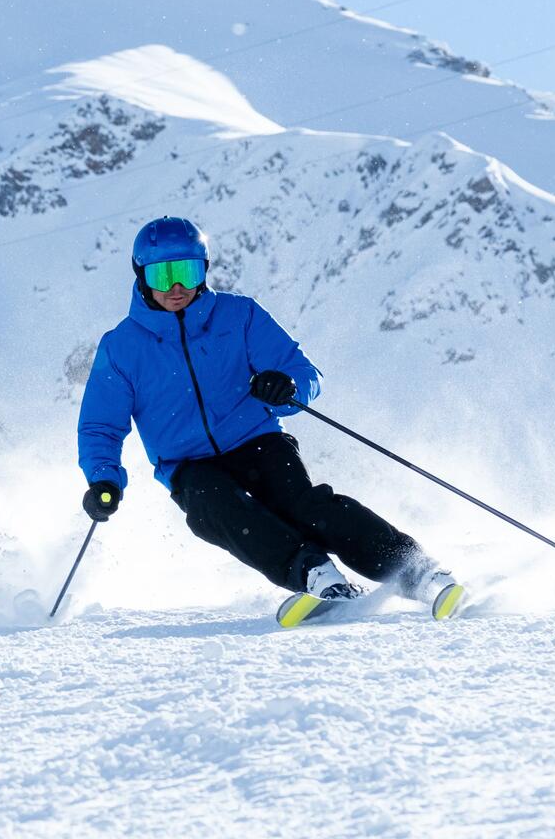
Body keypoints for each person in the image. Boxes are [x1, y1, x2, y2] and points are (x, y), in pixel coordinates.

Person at [75, 215, 462, 617]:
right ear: (142, 276)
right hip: (188, 464)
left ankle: (420, 573)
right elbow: (101, 425)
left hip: (256, 440)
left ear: (203, 271)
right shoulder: (121, 347)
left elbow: (304, 373)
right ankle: (318, 577)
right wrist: (103, 478)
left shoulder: (238, 315)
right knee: (218, 507)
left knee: (305, 507)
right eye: (164, 274)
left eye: (187, 272)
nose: (177, 287)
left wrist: (286, 388)